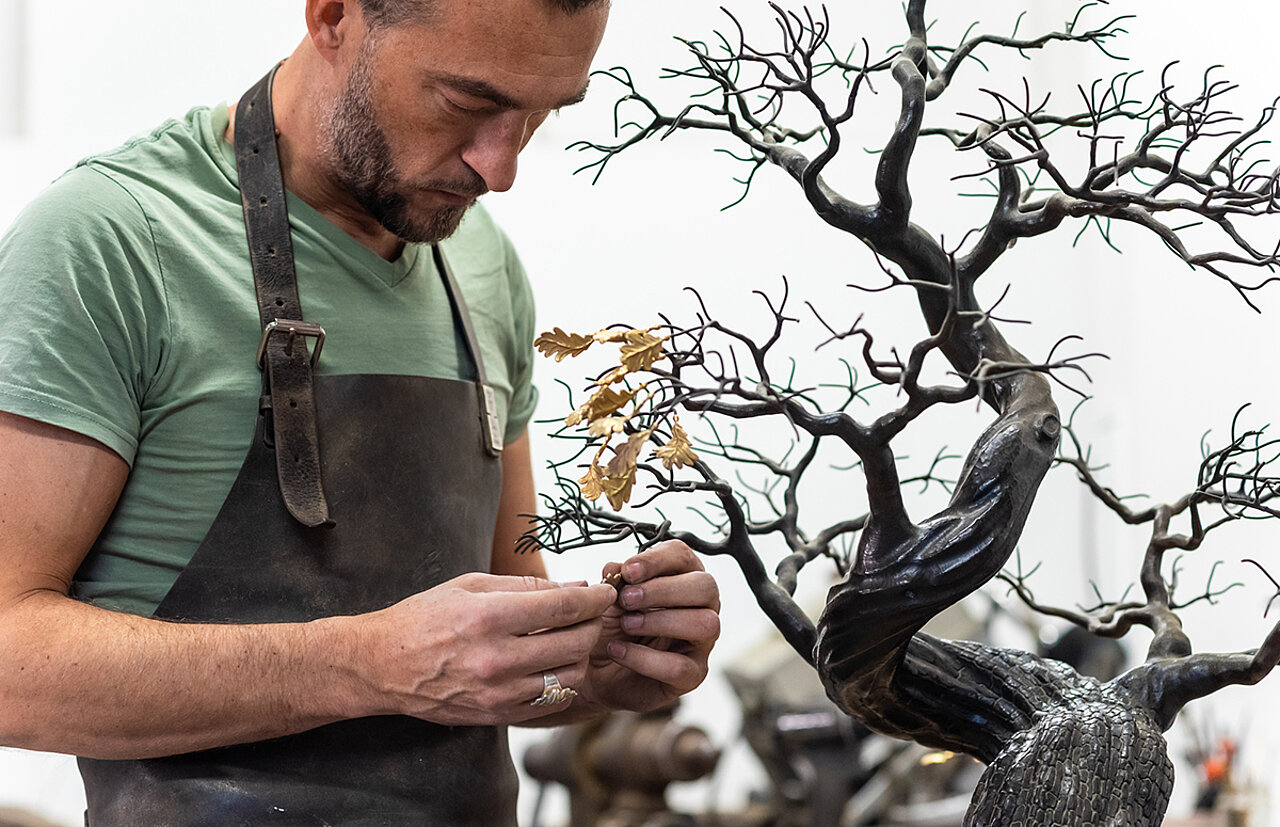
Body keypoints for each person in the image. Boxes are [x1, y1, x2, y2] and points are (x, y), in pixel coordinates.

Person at [0, 0, 721, 823]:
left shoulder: (482, 269)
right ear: (334, 16)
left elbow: (502, 660)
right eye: (468, 102)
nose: (501, 169)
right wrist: (366, 663)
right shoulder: (112, 244)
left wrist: (597, 667)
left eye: (539, 117)